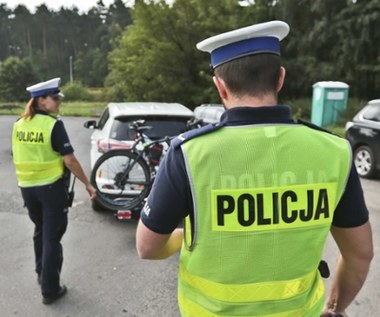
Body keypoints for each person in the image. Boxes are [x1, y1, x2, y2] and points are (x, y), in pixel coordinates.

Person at [135, 20, 373, 317]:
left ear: (220, 86)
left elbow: (147, 247)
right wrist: (334, 307)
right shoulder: (335, 151)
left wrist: (183, 236)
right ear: (280, 79)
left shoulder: (189, 153)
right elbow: (360, 254)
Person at [12, 77, 96, 305]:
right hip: (51, 189)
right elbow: (70, 160)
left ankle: (42, 273)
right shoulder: (52, 125)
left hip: (27, 190)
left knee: (40, 230)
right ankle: (50, 289)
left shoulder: (19, 123)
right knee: (52, 238)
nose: (59, 102)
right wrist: (88, 184)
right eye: (55, 98)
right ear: (41, 100)